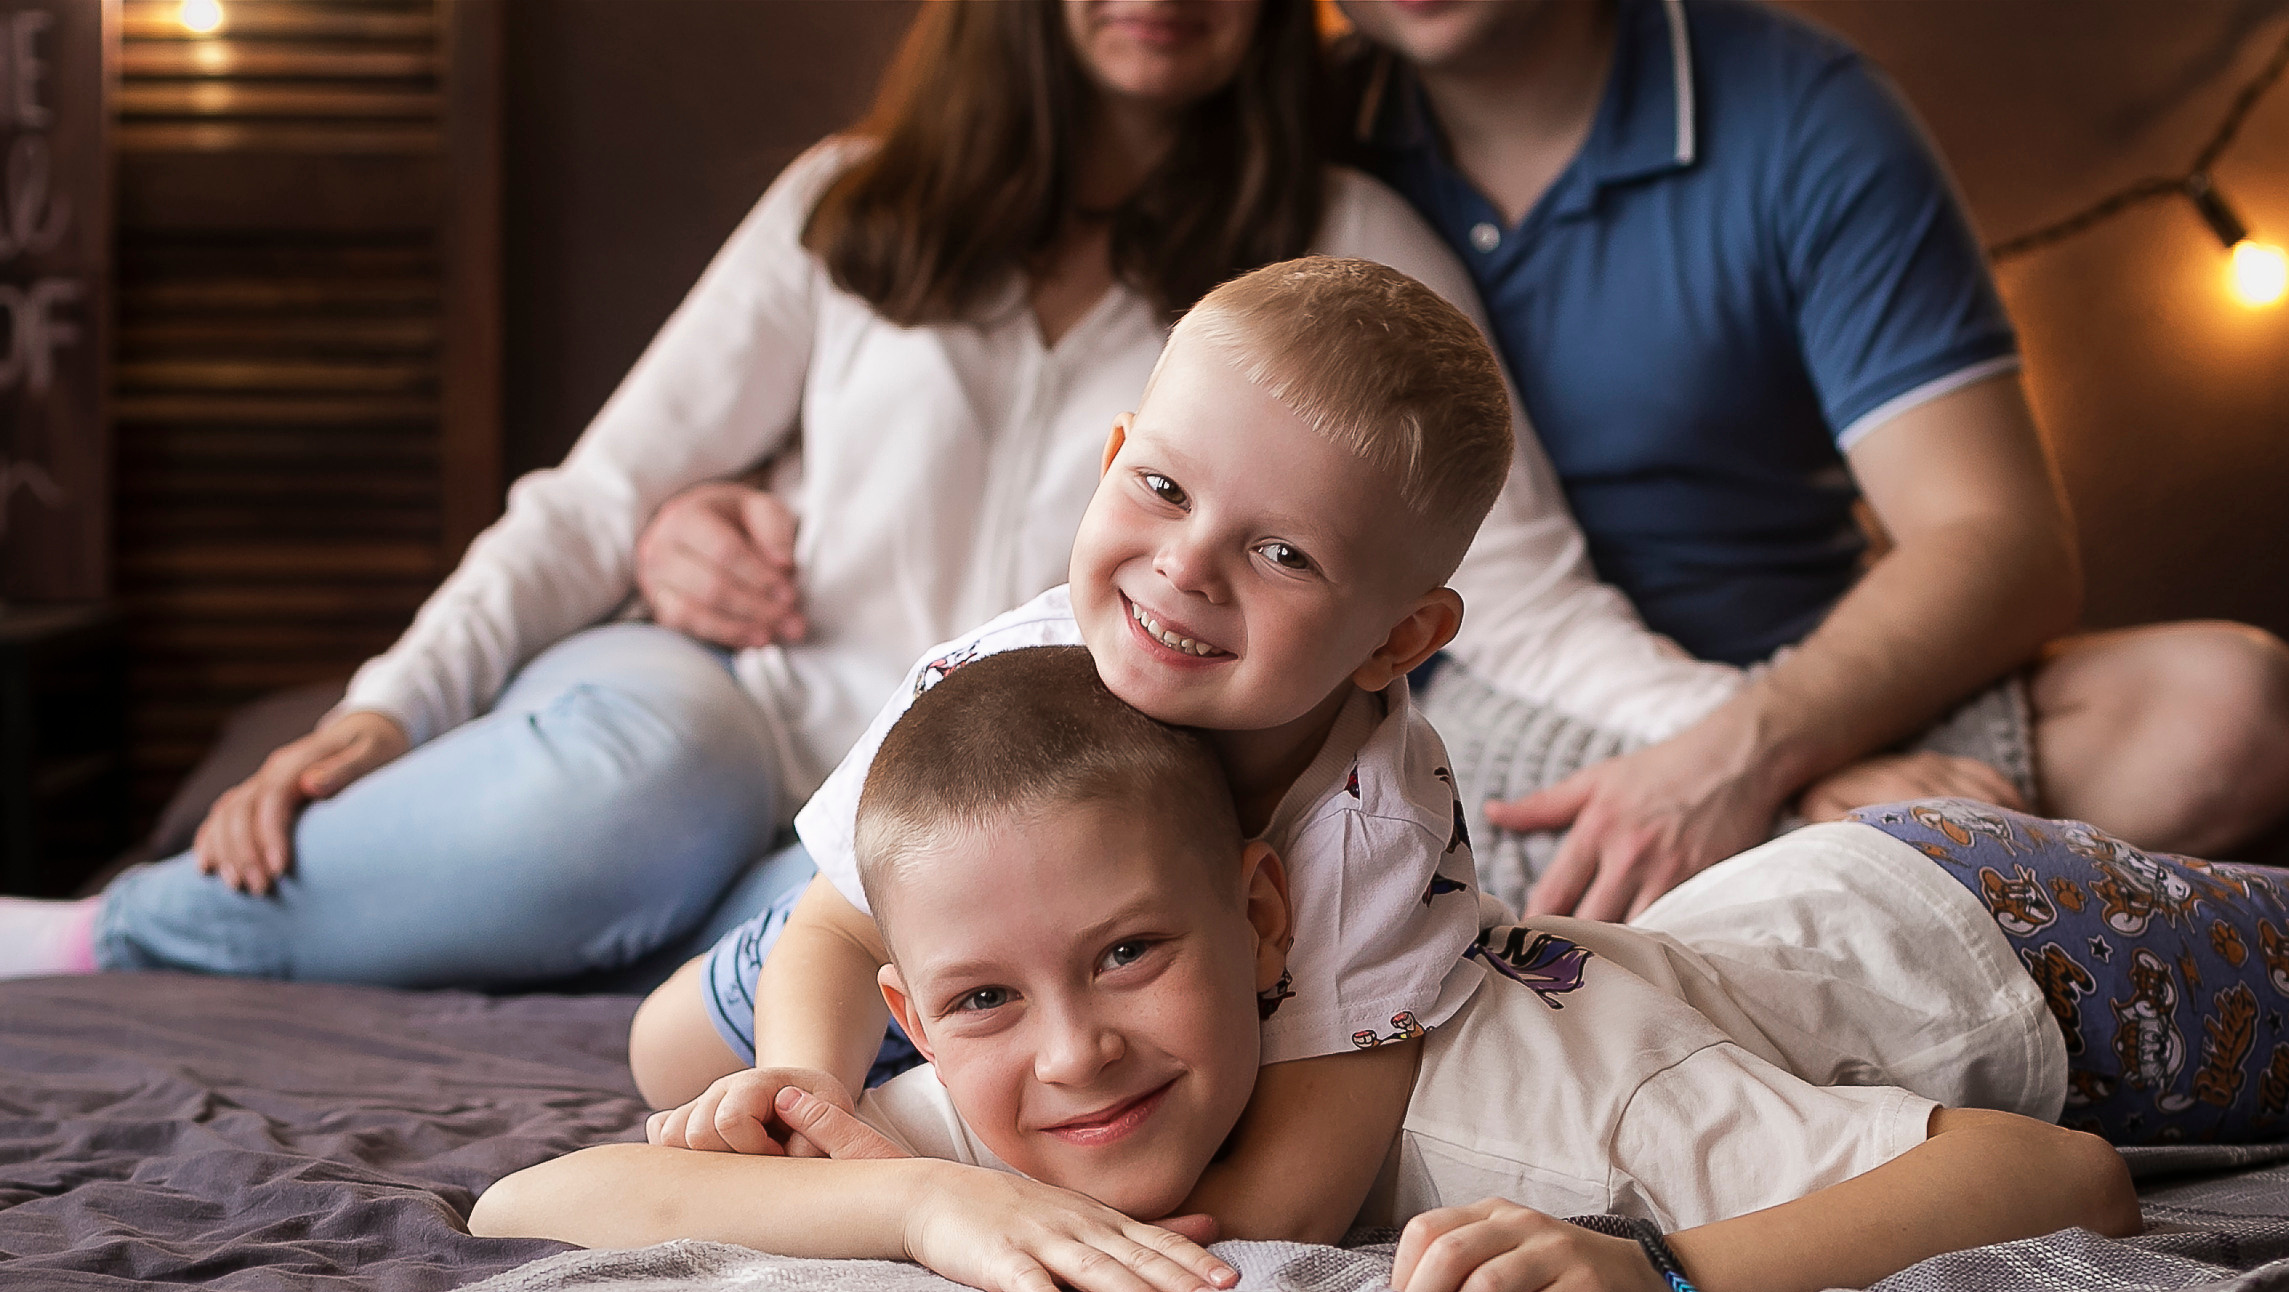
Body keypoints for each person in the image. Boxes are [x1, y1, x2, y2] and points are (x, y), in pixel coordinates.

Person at [0, 0, 1731, 986]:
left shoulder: (1343, 250)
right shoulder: (853, 204)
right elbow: (604, 499)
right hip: (723, 703)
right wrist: (389, 712)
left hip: (975, 789)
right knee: (644, 787)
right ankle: (96, 940)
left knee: (958, 946)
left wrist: (1764, 730)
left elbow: (1518, 592)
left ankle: (628, 940)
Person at [468, 645, 2149, 1292]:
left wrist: (1658, 1269)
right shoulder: (1030, 1109)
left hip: (2004, 932)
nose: (1074, 1053)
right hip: (1785, 926)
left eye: (1133, 951)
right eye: (978, 1004)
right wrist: (918, 1207)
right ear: (916, 1012)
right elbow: (530, 1201)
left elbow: (2061, 1176)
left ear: (1269, 920)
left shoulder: (1548, 1115)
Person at [1326, 0, 2289, 923]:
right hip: (1502, 731)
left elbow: (1998, 535)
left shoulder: (1797, 113)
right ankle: (1886, 901)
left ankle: (1814, 910)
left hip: (1824, 699)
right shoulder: (1298, 145)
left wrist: (1754, 755)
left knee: (2236, 713)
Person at [628, 257, 1520, 1243]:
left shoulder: (1379, 827)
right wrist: (803, 1085)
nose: (1183, 567)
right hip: (894, 945)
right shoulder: (995, 671)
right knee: (671, 1060)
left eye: (1282, 555)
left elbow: (1301, 1179)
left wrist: (1123, 1252)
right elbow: (842, 933)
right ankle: (745, 912)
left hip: (1110, 1043)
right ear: (1112, 462)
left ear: (1397, 640)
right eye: (1163, 488)